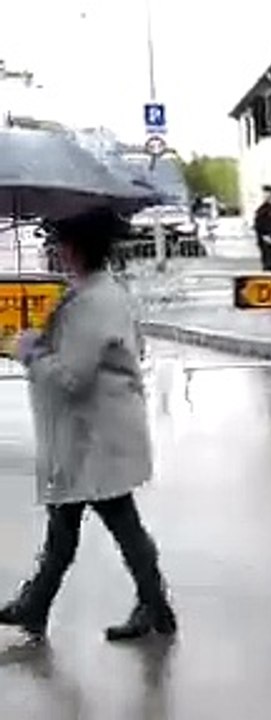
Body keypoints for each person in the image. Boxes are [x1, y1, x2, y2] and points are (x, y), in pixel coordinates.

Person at [0, 207, 176, 643]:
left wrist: (30, 351)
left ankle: (154, 607)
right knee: (71, 529)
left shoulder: (92, 303)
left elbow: (72, 379)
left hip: (92, 440)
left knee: (112, 524)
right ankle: (39, 605)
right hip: (90, 439)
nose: (54, 251)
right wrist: (43, 342)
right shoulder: (96, 294)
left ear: (75, 248)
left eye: (58, 243)